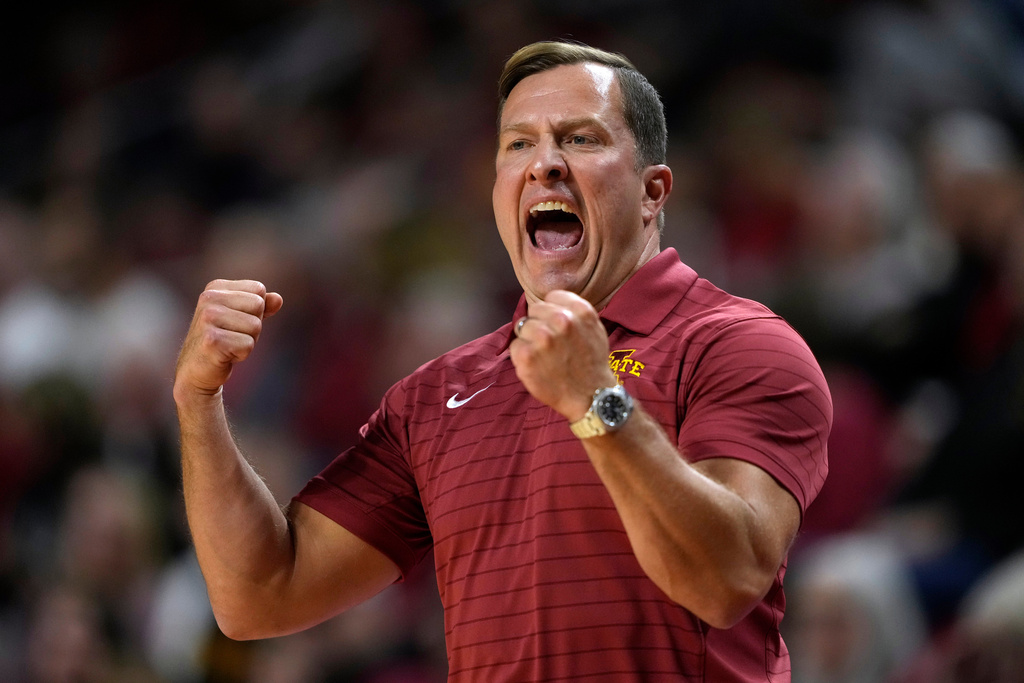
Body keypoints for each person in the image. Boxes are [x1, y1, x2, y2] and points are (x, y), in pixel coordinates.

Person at [173, 40, 832, 682]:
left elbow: (727, 579)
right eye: (519, 143)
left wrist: (597, 403)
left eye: (579, 138)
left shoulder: (736, 344)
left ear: (653, 191)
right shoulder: (434, 397)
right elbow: (262, 595)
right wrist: (199, 404)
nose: (544, 164)